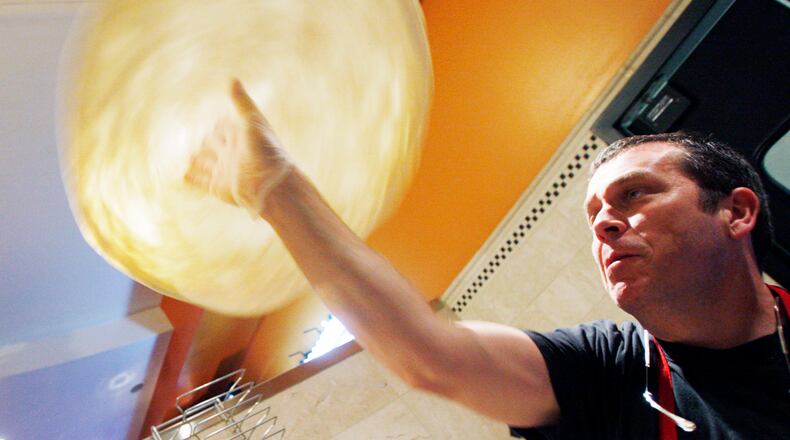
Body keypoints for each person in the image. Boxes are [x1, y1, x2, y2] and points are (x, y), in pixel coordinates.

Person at [184, 80, 790, 439]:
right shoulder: (609, 371)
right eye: (593, 214)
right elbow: (433, 357)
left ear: (735, 213)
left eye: (635, 195)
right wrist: (275, 188)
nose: (605, 224)